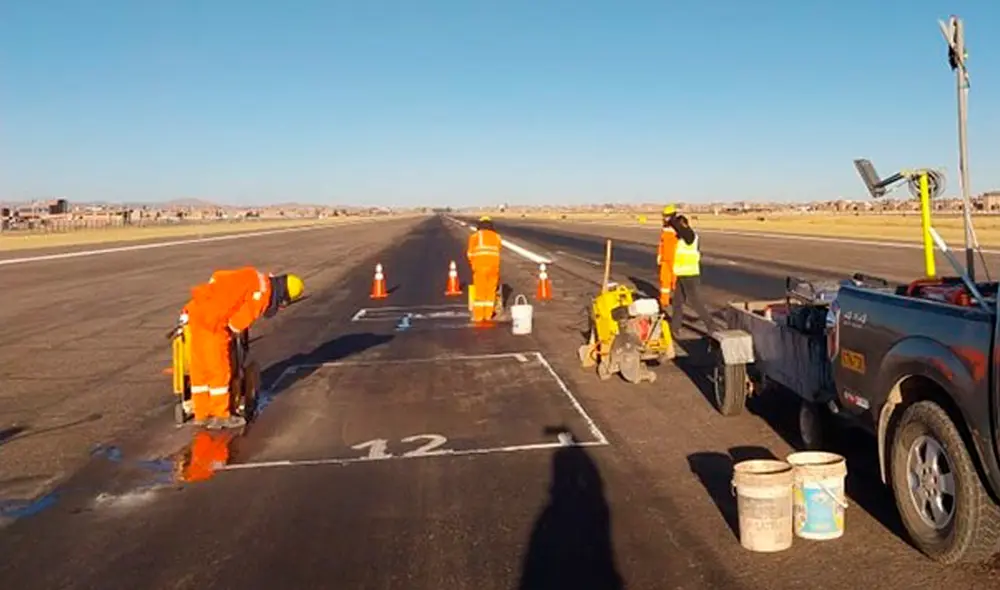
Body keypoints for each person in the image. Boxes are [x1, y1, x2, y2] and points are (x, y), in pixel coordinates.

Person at [182, 267, 304, 428]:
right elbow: (236, 324)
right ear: (283, 296)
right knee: (218, 370)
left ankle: (202, 413)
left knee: (200, 369)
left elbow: (217, 276)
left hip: (196, 312)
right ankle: (221, 415)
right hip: (214, 323)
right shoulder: (263, 294)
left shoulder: (255, 275)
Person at [668, 214, 719, 339]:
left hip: (690, 275)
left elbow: (682, 230)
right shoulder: (682, 239)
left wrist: (672, 219)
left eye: (678, 227)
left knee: (695, 302)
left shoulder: (690, 236)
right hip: (682, 275)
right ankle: (675, 328)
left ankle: (712, 326)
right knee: (677, 303)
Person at [467, 215, 502, 322]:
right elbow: (498, 249)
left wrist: (473, 264)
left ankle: (478, 316)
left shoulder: (475, 236)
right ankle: (488, 315)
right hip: (494, 267)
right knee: (491, 291)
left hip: (480, 267)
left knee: (480, 292)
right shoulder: (497, 237)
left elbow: (469, 253)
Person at [657, 204, 679, 307]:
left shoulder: (679, 227)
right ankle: (664, 301)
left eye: (666, 216)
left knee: (676, 282)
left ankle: (678, 301)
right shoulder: (665, 228)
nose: (664, 218)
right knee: (664, 281)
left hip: (676, 259)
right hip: (665, 259)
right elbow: (662, 243)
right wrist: (660, 255)